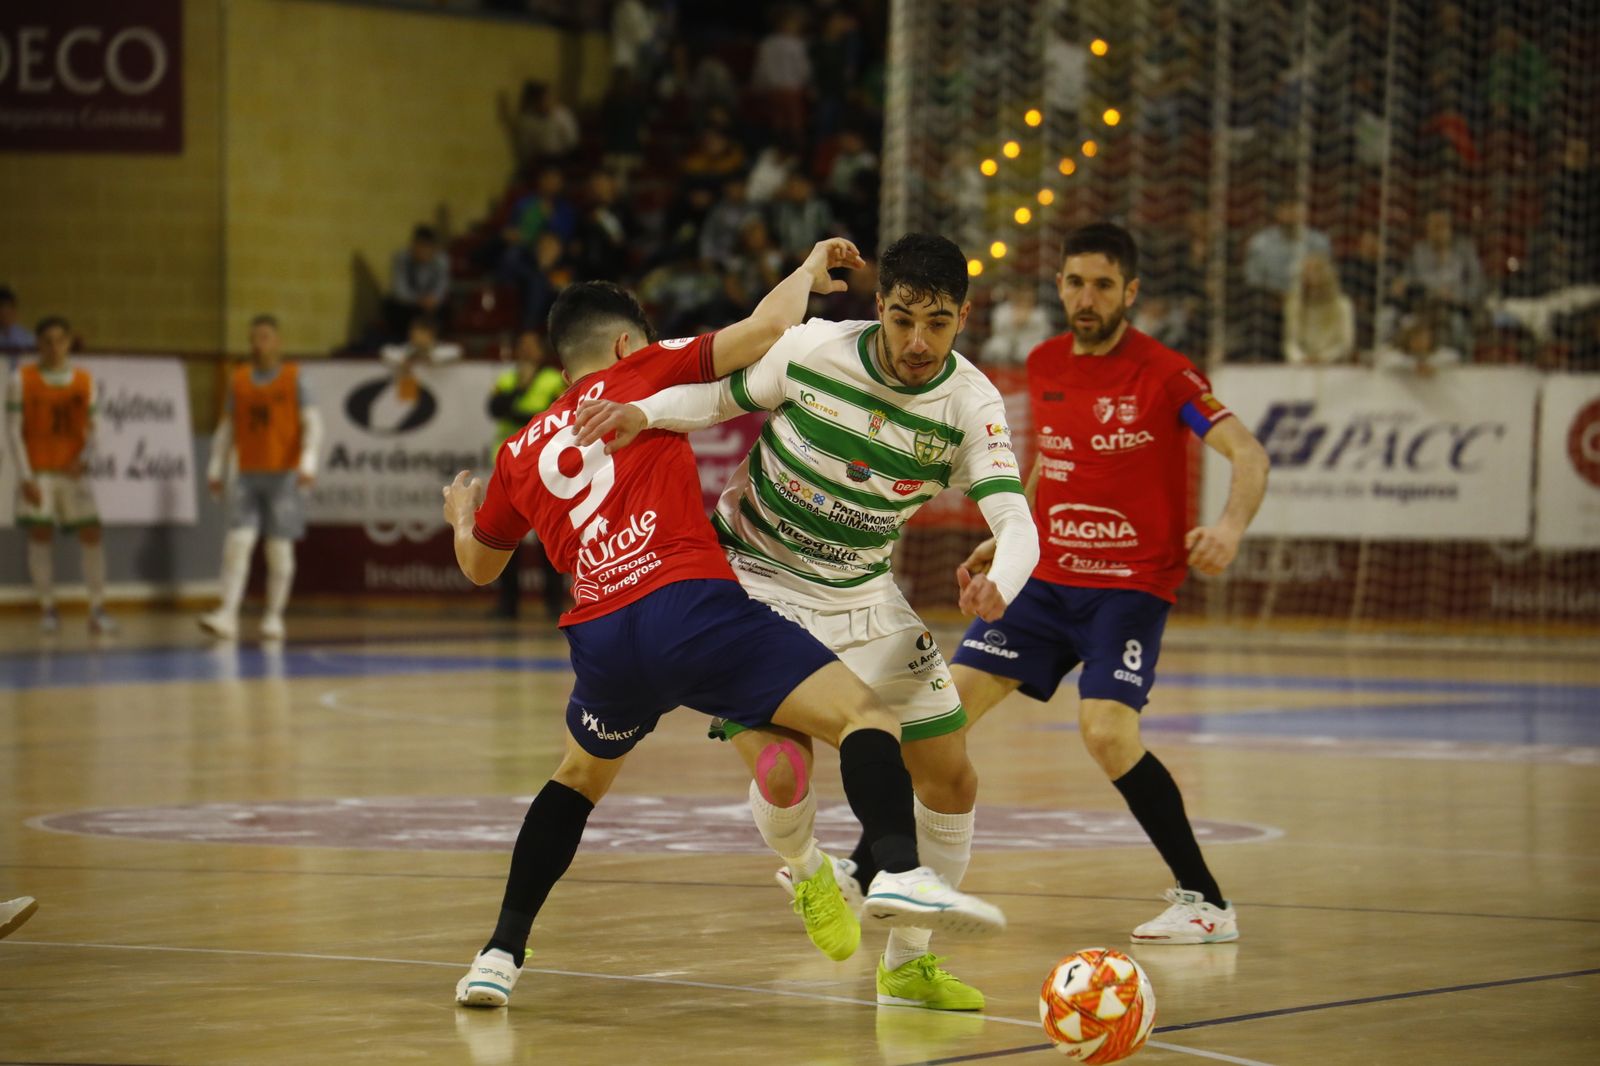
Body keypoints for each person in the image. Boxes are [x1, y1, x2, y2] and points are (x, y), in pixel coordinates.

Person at [445, 239, 1006, 1010]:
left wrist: (458, 521)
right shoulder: (645, 368)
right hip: (692, 606)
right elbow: (767, 327)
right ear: (621, 345)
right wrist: (810, 273)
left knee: (576, 779)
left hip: (603, 635)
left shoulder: (517, 450)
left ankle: (497, 956)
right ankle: (875, 873)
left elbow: (480, 567)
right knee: (863, 721)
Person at [949, 223, 1269, 945]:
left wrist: (1229, 527)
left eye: (1101, 284)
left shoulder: (1166, 374)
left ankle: (1206, 902)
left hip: (1129, 587)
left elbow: (1247, 453)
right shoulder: (1044, 359)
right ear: (1058, 285)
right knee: (942, 715)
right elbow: (1049, 461)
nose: (1084, 297)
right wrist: (1008, 532)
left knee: (1105, 731)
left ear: (1130, 292)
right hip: (1045, 581)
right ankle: (873, 869)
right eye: (1073, 282)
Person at [200, 315, 324, 641]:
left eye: (265, 337)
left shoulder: (295, 378)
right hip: (246, 473)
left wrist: (308, 464)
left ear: (278, 340)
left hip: (284, 475)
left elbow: (313, 425)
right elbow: (227, 427)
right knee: (237, 543)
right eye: (254, 338)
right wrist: (215, 468)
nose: (259, 344)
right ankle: (226, 613)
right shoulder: (238, 379)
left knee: (279, 548)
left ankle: (273, 616)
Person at [6, 316, 114, 634]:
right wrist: (25, 477)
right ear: (38, 345)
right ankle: (48, 608)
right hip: (38, 470)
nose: (54, 347)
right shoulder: (21, 379)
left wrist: (85, 459)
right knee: (41, 535)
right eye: (47, 341)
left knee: (92, 532)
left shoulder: (84, 379)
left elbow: (96, 429)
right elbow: (13, 431)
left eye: (60, 340)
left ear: (69, 342)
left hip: (72, 470)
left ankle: (97, 608)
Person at [487, 330, 567, 621]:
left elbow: (550, 415)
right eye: (522, 344)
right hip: (509, 469)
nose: (526, 349)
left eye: (531, 345)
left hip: (545, 469)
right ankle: (508, 605)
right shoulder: (508, 378)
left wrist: (517, 407)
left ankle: (553, 604)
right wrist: (520, 392)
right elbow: (494, 408)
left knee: (549, 539)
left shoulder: (553, 379)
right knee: (506, 538)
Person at [1282, 254, 1356, 364]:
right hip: (1301, 366)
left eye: (1315, 271)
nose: (1310, 277)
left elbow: (1345, 344)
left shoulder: (1343, 305)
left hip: (1334, 365)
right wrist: (1301, 359)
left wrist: (1325, 358)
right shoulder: (1294, 305)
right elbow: (1290, 343)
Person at [384, 225, 451, 340]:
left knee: (445, 309)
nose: (422, 251)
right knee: (392, 306)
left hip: (431, 304)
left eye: (426, 247)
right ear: (413, 245)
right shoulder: (401, 259)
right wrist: (418, 300)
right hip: (409, 304)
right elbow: (399, 290)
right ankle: (402, 341)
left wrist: (434, 299)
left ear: (433, 248)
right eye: (419, 246)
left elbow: (442, 286)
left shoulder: (441, 261)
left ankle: (434, 340)